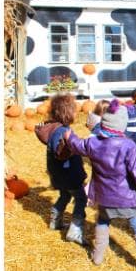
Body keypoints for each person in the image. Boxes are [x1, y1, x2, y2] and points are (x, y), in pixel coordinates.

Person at [61, 102, 136, 271]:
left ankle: (97, 256)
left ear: (104, 122)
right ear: (122, 125)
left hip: (104, 199)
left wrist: (69, 136)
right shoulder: (129, 146)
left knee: (102, 221)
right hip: (127, 200)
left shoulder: (93, 143)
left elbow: (77, 145)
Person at [35, 93, 88, 245]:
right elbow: (60, 152)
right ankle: (75, 231)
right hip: (69, 173)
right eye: (74, 110)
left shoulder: (52, 128)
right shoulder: (61, 131)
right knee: (81, 198)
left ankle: (55, 222)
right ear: (67, 112)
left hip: (58, 174)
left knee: (65, 195)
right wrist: (71, 144)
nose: (76, 113)